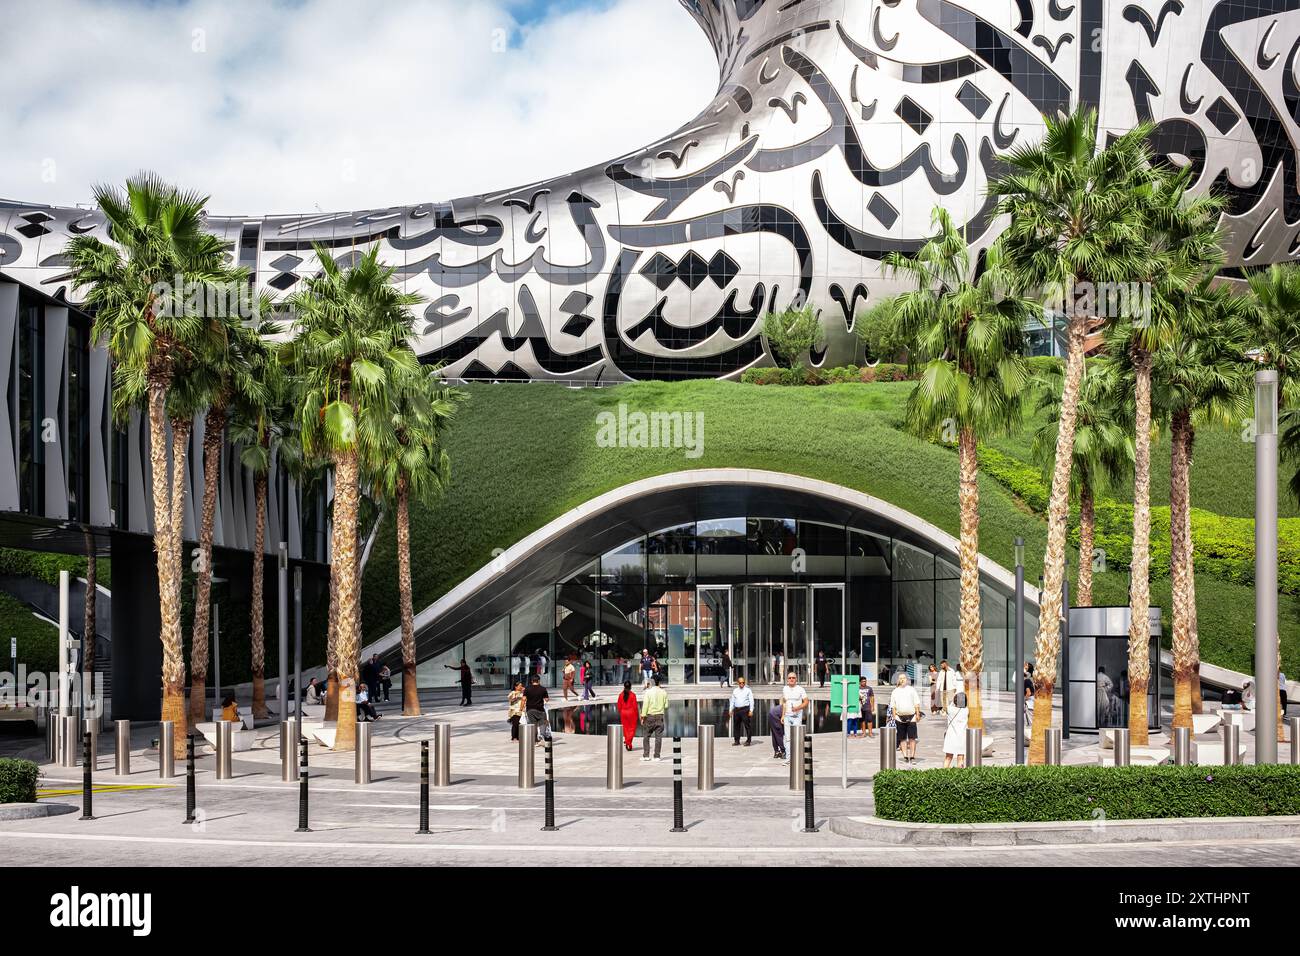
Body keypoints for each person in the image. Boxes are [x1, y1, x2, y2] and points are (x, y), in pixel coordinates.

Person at [889, 672, 923, 763]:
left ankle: (912, 756)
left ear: (907, 680)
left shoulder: (911, 690)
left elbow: (916, 703)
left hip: (911, 716)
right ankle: (905, 756)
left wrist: (918, 714)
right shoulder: (895, 691)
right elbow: (893, 705)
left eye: (904, 678)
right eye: (900, 678)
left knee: (912, 738)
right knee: (902, 738)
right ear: (898, 680)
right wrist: (894, 716)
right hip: (899, 717)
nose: (902, 679)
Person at [780, 670, 808, 763]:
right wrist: (783, 715)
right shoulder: (785, 689)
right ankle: (789, 759)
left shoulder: (800, 689)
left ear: (796, 679)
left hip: (797, 716)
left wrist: (797, 708)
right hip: (787, 716)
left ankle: (797, 757)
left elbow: (806, 702)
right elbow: (784, 702)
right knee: (787, 738)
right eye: (789, 678)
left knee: (796, 737)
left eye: (793, 678)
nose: (791, 679)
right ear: (787, 679)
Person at [640, 675, 669, 761]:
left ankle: (646, 755)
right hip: (660, 716)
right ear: (659, 682)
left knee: (646, 736)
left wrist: (642, 716)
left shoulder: (648, 692)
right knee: (658, 738)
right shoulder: (664, 692)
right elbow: (666, 706)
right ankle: (657, 756)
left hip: (649, 716)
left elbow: (645, 705)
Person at [942, 691, 969, 768]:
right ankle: (960, 775)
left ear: (955, 700)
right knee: (960, 757)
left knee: (948, 757)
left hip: (950, 736)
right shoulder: (966, 711)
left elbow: (945, 704)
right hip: (962, 737)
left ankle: (944, 774)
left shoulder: (950, 709)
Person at [523, 675, 552, 743]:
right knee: (542, 723)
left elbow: (524, 699)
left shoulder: (527, 688)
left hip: (530, 710)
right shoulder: (543, 689)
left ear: (532, 681)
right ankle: (542, 737)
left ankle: (535, 740)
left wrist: (522, 708)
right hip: (540, 709)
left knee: (533, 725)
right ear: (539, 680)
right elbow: (547, 699)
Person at [729, 676, 753, 746]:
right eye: (740, 683)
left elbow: (751, 701)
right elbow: (732, 701)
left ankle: (748, 741)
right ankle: (737, 740)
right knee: (736, 726)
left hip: (745, 709)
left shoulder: (748, 690)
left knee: (747, 725)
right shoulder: (735, 691)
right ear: (738, 683)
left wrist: (751, 710)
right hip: (737, 710)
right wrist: (731, 709)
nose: (742, 684)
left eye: (743, 682)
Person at [614, 681, 639, 751]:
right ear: (630, 687)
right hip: (631, 713)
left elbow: (619, 705)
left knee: (626, 728)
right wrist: (637, 714)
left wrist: (621, 712)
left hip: (623, 713)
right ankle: (628, 742)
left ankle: (627, 742)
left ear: (624, 687)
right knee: (632, 729)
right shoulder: (633, 695)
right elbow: (635, 706)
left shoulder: (620, 695)